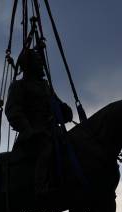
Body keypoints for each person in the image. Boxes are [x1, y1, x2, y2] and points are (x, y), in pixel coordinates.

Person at [5, 48, 73, 193]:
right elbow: (13, 111)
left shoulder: (45, 86)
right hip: (33, 133)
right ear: (29, 66)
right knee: (46, 149)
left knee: (77, 146)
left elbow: (56, 104)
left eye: (41, 62)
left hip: (53, 131)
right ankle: (40, 187)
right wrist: (28, 129)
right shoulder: (19, 86)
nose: (42, 65)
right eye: (38, 62)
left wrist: (65, 111)